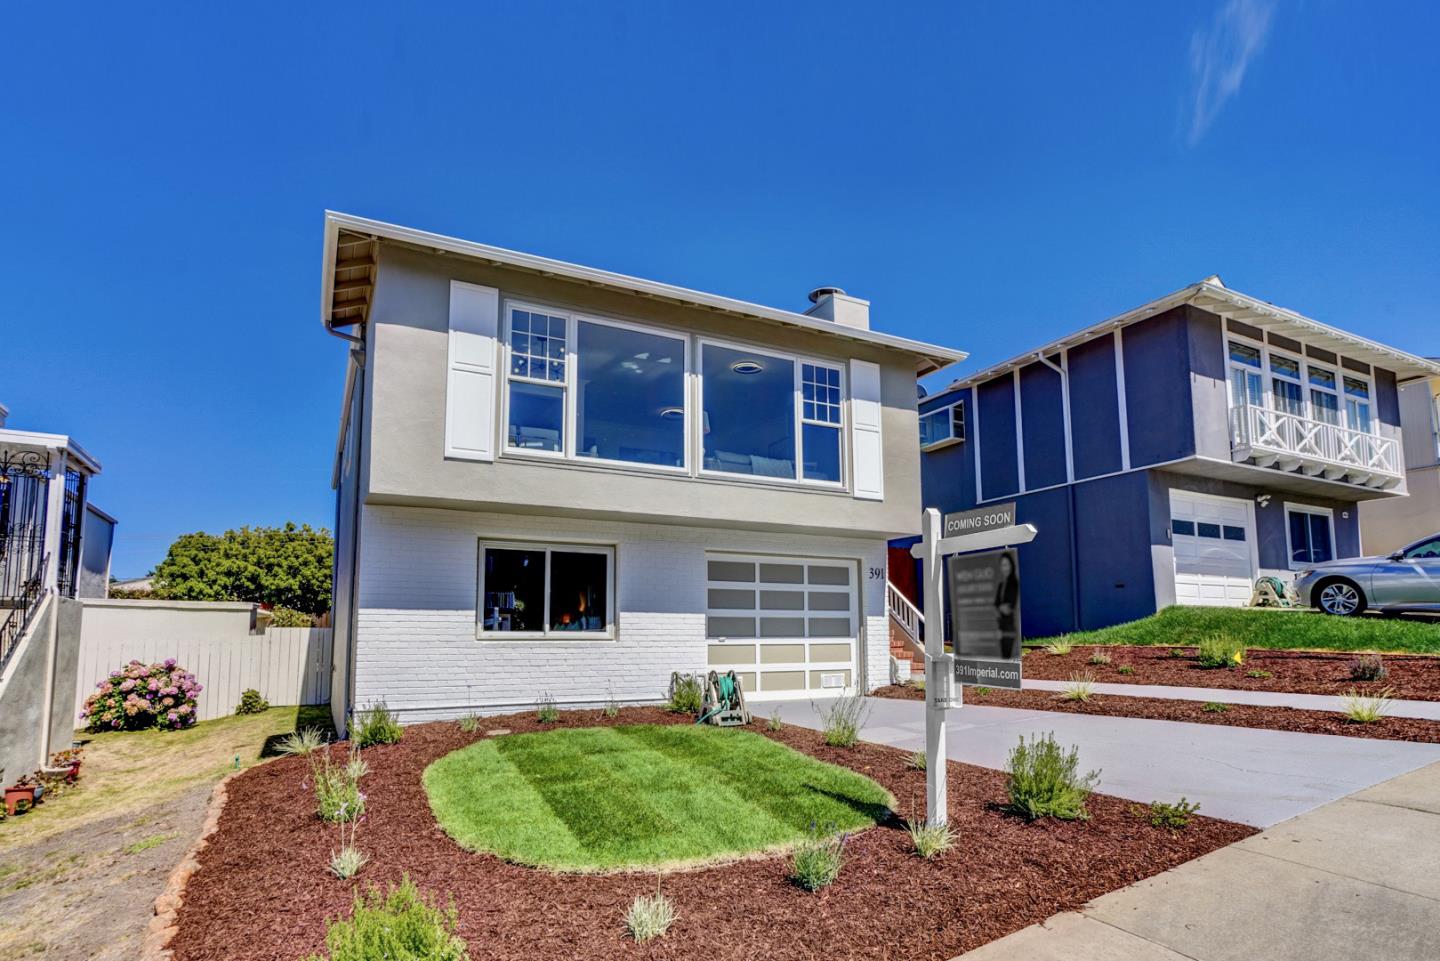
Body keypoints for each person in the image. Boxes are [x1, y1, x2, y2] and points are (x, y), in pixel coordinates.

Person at [994, 552, 1019, 659]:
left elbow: (1009, 608)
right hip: (1000, 626)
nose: (1005, 568)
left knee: (1009, 657)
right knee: (1003, 657)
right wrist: (1000, 607)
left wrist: (1001, 607)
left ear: (1011, 565)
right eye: (1002, 565)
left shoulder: (1015, 584)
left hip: (1010, 627)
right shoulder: (1001, 585)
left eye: (1006, 565)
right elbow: (996, 604)